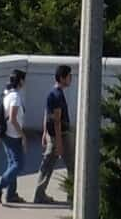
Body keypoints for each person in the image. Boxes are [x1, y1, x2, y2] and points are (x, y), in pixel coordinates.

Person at [32, 65, 72, 204]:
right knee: (69, 165)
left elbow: (46, 114)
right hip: (60, 135)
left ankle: (40, 194)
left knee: (48, 164)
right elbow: (56, 120)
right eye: (69, 76)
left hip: (54, 135)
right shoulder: (57, 95)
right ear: (62, 78)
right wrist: (59, 143)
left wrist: (44, 133)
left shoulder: (52, 93)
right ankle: (70, 195)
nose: (70, 79)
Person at [0, 69, 27, 204]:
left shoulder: (6, 94)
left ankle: (11, 194)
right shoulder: (15, 97)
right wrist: (23, 135)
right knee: (18, 165)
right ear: (20, 81)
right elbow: (13, 118)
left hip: (5, 134)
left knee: (12, 163)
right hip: (13, 135)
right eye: (24, 79)